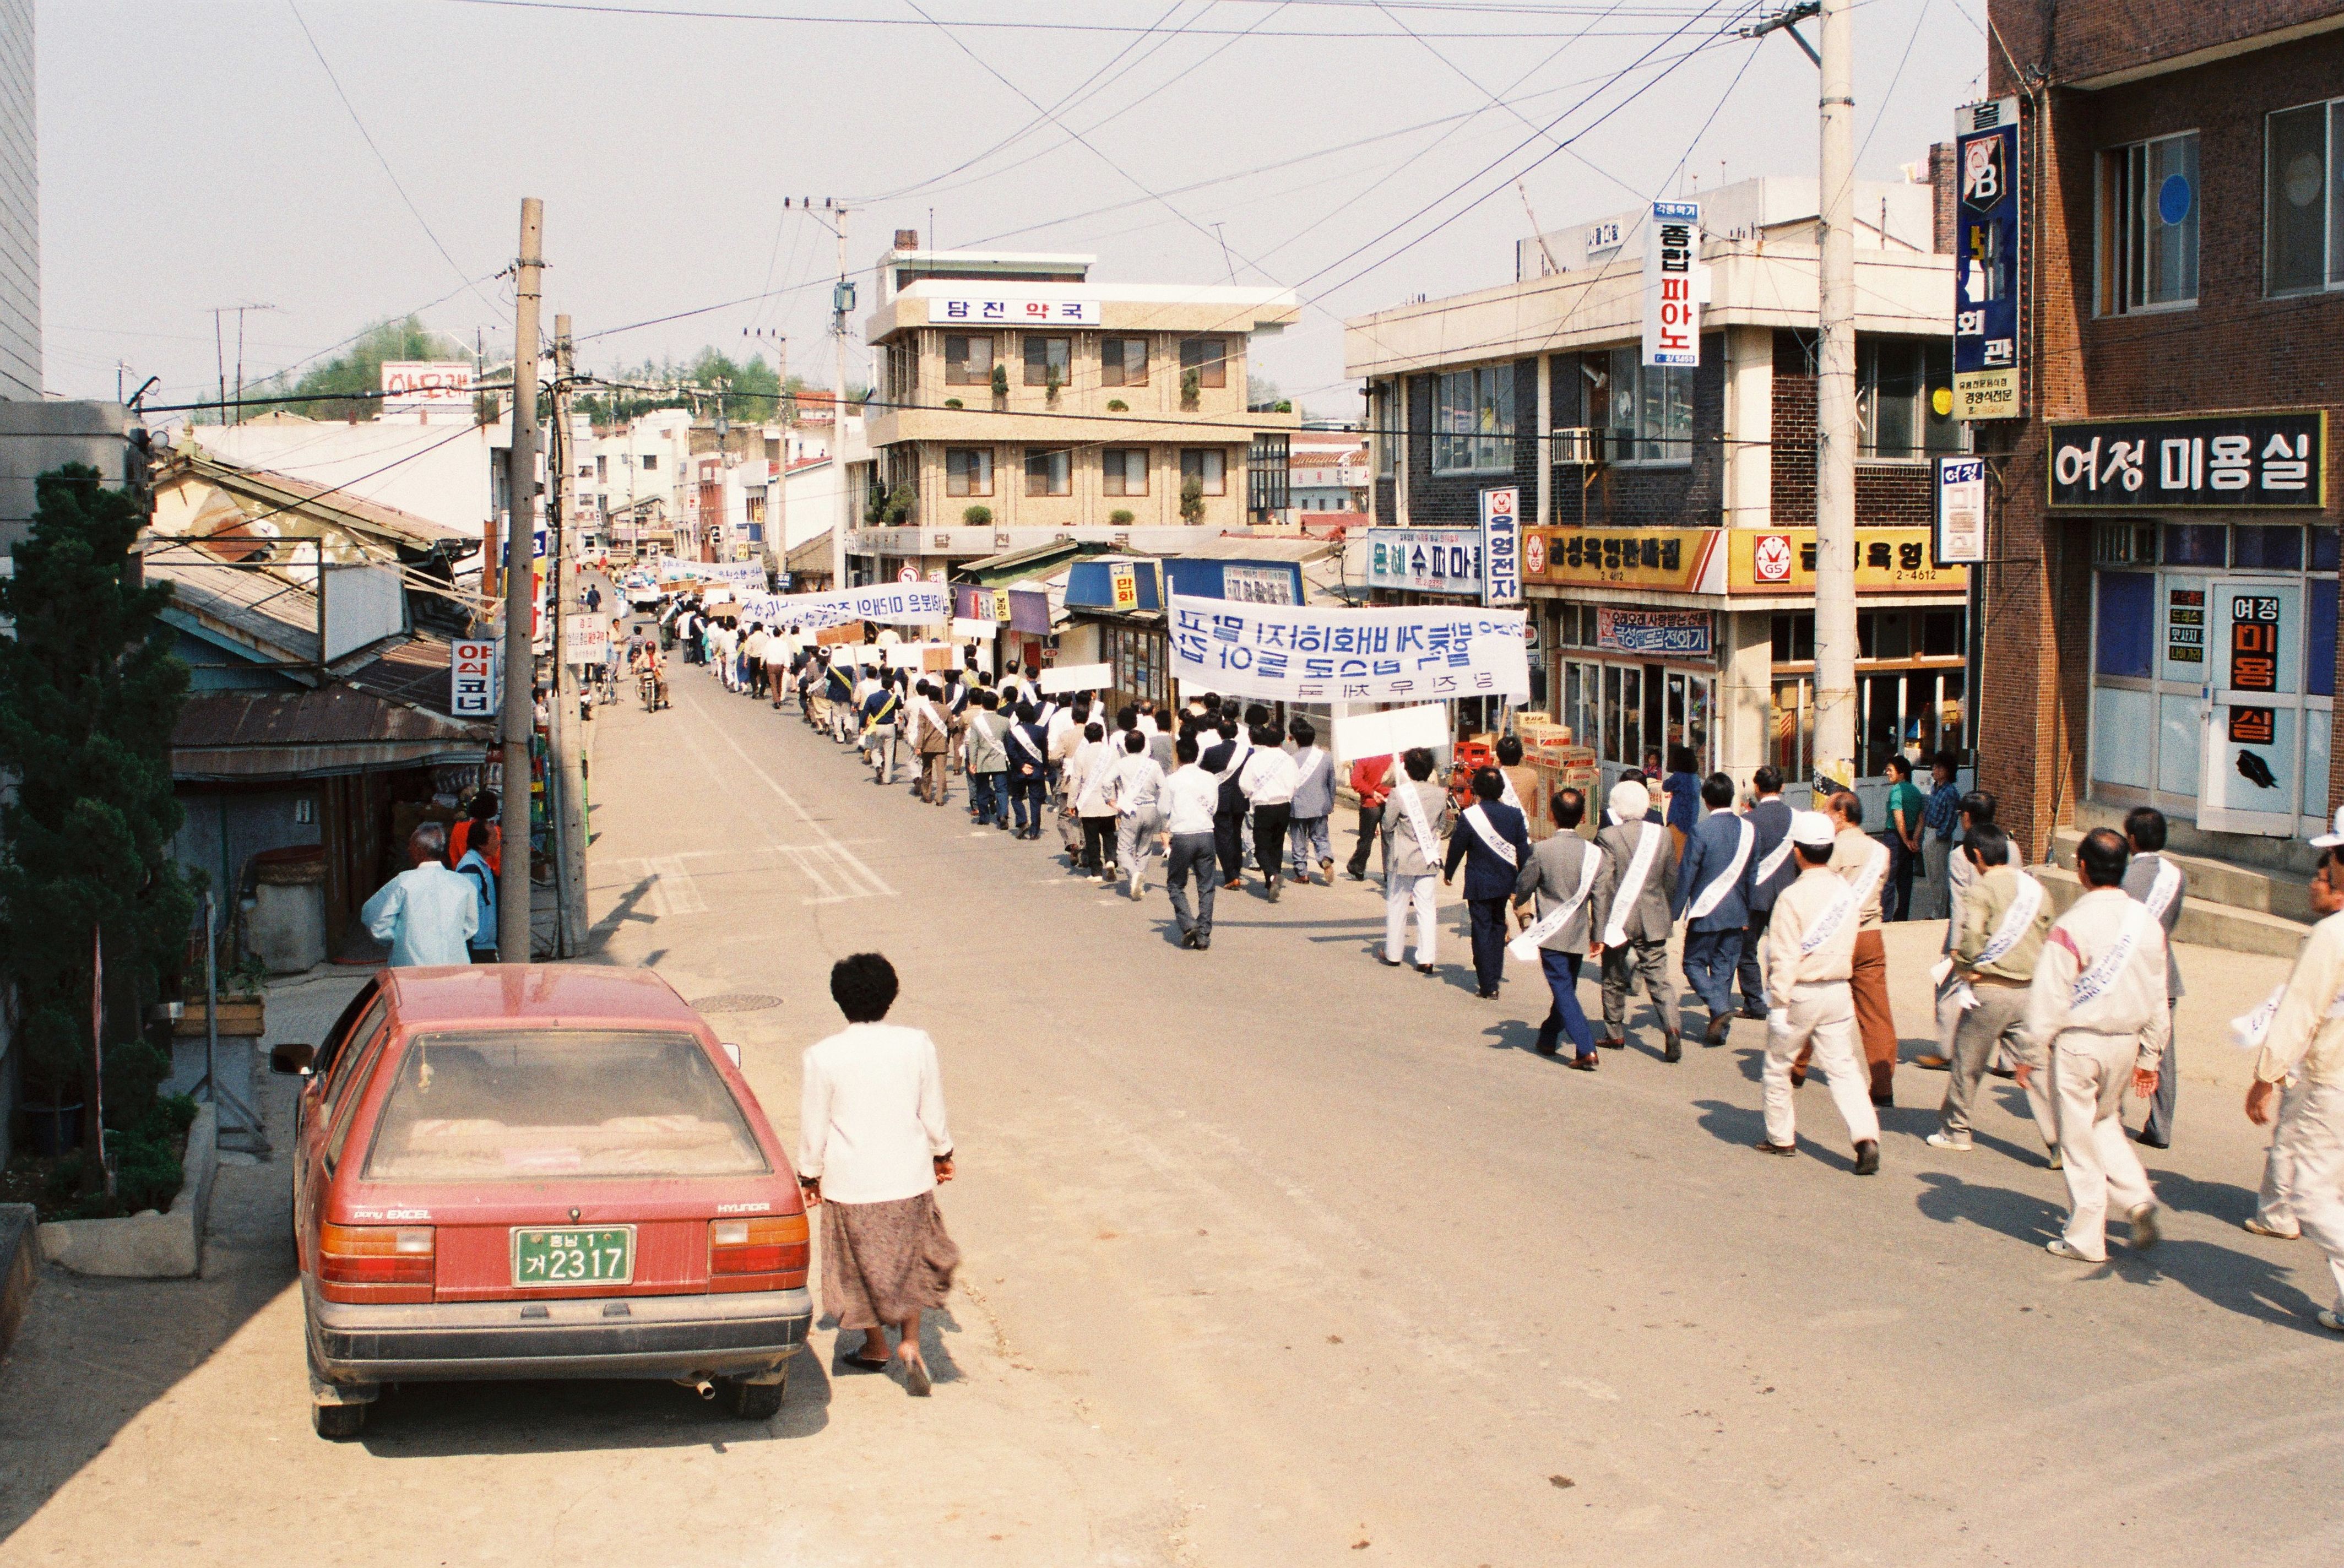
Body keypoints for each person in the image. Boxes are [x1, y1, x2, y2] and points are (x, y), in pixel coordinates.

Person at [796, 953, 958, 1398]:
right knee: (909, 1259)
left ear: (839, 999)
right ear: (891, 994)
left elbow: (815, 1124)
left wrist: (809, 1176)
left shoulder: (822, 1056)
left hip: (852, 1184)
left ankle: (875, 1346)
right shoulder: (916, 1044)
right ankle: (910, 1342)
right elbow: (933, 1108)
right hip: (908, 1176)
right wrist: (943, 1152)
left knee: (857, 1267)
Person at [2017, 827, 2168, 1262]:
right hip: (2127, 1040)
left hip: (2079, 1044)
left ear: (2082, 868)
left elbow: (2049, 994)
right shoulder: (2148, 923)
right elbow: (2159, 996)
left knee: (2078, 1140)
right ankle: (2138, 1198)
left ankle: (2086, 1237)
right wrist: (2150, 1055)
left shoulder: (2073, 924)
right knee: (2105, 1123)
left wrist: (2030, 1052)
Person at [1754, 811, 1882, 1175]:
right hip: (1839, 988)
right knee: (1844, 1068)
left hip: (1801, 992)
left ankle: (1781, 1138)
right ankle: (1865, 1137)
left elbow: (1783, 956)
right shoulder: (1845, 891)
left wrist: (1777, 1003)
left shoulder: (1792, 896)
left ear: (1798, 851)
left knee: (1779, 1066)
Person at [1925, 823, 2059, 1158]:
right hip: (2030, 991)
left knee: (1967, 1064)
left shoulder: (1982, 889)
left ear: (1977, 856)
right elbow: (2050, 933)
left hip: (1990, 989)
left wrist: (1963, 964)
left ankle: (1956, 1130)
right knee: (2037, 1067)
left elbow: (1971, 937)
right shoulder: (2036, 889)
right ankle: (2059, 1142)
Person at [2243, 842, 2344, 1272]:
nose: (2320, 875)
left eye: (2332, 864)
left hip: (2332, 1078)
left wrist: (2267, 1075)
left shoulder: (2332, 935)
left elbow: (2300, 1010)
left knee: (2309, 1195)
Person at [1591, 777, 1681, 1060]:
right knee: (1659, 979)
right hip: (1653, 915)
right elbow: (1671, 879)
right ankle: (1672, 1028)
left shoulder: (1610, 836)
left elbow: (1603, 885)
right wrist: (1663, 908)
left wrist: (1599, 928)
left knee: (1614, 977)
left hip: (1620, 919)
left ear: (1616, 809)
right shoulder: (1663, 835)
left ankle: (1615, 1032)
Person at [1513, 788, 1602, 1068]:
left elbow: (1524, 887)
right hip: (1577, 932)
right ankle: (1549, 1035)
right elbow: (1601, 898)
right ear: (1583, 816)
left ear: (1552, 815)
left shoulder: (1541, 850)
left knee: (1564, 990)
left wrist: (1520, 900)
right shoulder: (1594, 853)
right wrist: (1598, 934)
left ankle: (1586, 1049)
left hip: (1551, 933)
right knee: (1566, 988)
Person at [1825, 789, 1897, 1105]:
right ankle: (1883, 1087)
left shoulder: (1831, 849)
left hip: (1836, 936)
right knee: (1876, 1013)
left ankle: (1797, 1068)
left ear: (1842, 815)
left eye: (1829, 812)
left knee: (1819, 998)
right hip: (1871, 934)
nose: (1827, 818)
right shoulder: (1881, 851)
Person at [1672, 772, 1755, 1046]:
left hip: (1707, 912)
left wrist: (1674, 911)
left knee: (1693, 963)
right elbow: (1751, 875)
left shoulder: (1701, 831)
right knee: (1723, 970)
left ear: (1706, 801)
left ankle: (1719, 1010)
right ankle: (1719, 1028)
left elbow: (1687, 874)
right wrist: (1748, 914)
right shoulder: (1748, 830)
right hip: (1737, 912)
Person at [2121, 806, 2187, 1149]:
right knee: (2163, 1050)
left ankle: (2109, 1113)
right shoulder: (2177, 874)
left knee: (2117, 1040)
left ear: (2131, 839)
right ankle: (2160, 1126)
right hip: (2164, 971)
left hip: (2129, 973)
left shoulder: (2125, 878)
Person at [1443, 767, 1530, 999]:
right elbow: (1523, 850)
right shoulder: (1514, 815)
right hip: (1505, 882)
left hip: (1479, 883)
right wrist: (1527, 879)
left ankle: (1487, 982)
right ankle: (1494, 973)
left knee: (1481, 928)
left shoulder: (1471, 816)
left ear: (1477, 789)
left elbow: (1457, 847)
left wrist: (1448, 872)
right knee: (1498, 925)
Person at [360, 823, 480, 967]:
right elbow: (471, 927)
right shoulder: (463, 884)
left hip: (411, 966)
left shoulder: (403, 882)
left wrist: (400, 938)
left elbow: (374, 918)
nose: (409, 850)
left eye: (411, 845)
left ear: (419, 850)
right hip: (454, 964)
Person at [1734, 767, 1798, 1021]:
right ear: (1781, 787)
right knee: (1786, 949)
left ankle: (1755, 1004)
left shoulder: (1748, 821)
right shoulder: (1796, 817)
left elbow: (1741, 862)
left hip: (1756, 895)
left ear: (1757, 788)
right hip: (1787, 893)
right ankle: (1786, 999)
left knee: (1746, 950)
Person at [1160, 736, 1222, 950]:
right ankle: (1204, 933)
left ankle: (1188, 924)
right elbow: (1213, 807)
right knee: (1206, 887)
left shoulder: (1172, 780)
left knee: (1176, 885)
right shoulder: (1210, 778)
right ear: (1197, 755)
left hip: (1183, 836)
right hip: (1206, 834)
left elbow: (1163, 809)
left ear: (1178, 756)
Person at [1239, 724, 1299, 902]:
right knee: (1277, 844)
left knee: (1260, 848)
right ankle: (1271, 880)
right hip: (1283, 805)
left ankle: (1273, 875)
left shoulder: (1256, 759)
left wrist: (1251, 794)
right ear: (1282, 740)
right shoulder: (1289, 760)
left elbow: (1244, 784)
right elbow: (1296, 784)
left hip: (1264, 806)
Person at [1105, 729, 1166, 903]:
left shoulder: (1121, 763)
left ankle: (1134, 875)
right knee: (1144, 849)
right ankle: (1139, 882)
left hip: (1131, 810)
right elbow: (1163, 787)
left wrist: (1111, 801)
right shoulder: (1153, 765)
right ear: (1144, 746)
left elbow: (1106, 781)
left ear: (1126, 746)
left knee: (1124, 849)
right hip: (1150, 809)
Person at [1200, 718, 1255, 891]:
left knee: (1223, 837)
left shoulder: (1211, 752)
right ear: (1236, 733)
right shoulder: (1249, 752)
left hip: (1219, 799)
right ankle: (1236, 871)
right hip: (1240, 798)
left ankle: (1231, 875)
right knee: (1236, 835)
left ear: (1219, 733)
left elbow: (1205, 775)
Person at [1285, 719, 1336, 887]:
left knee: (1299, 840)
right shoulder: (1326, 758)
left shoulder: (1292, 759)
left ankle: (1302, 873)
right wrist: (1331, 802)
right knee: (1320, 837)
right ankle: (1325, 858)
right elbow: (1332, 783)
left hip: (1298, 807)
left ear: (1297, 740)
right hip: (1321, 805)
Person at [1071, 720, 1121, 881]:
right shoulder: (1112, 752)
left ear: (1086, 737)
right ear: (1102, 735)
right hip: (1108, 800)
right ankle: (1111, 860)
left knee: (1091, 839)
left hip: (1088, 802)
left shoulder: (1081, 754)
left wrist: (1072, 803)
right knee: (1109, 834)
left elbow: (1076, 780)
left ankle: (1096, 872)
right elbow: (1118, 777)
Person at [1882, 755, 1925, 923]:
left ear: (1901, 773)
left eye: (1890, 770)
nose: (1887, 773)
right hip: (1911, 834)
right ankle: (1902, 917)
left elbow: (1898, 816)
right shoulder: (1915, 791)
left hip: (1894, 837)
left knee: (1889, 878)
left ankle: (1886, 917)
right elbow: (1921, 818)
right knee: (1906, 880)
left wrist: (1905, 840)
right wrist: (1914, 839)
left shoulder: (1897, 791)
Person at [1920, 752, 1963, 921]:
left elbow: (1952, 816)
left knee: (1939, 876)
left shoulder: (1950, 791)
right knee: (1931, 876)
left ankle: (1939, 914)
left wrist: (1941, 834)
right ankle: (1936, 910)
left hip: (1938, 836)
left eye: (1938, 767)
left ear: (1947, 770)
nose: (1934, 771)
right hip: (1929, 832)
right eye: (1934, 767)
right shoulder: (1934, 788)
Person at [965, 690, 1010, 831]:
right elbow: (1008, 742)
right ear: (997, 705)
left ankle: (984, 817)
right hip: (1000, 760)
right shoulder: (1005, 721)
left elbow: (973, 744)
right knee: (1002, 790)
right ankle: (1003, 814)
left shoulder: (977, 722)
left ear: (983, 705)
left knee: (982, 789)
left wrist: (972, 762)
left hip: (982, 760)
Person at [1345, 751, 1392, 882]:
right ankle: (1390, 874)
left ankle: (1358, 867)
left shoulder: (1365, 759)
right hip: (1390, 803)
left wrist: (1372, 792)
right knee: (1389, 841)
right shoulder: (1394, 757)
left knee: (1366, 838)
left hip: (1370, 804)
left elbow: (1356, 782)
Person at [454, 827, 498, 964]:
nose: (498, 842)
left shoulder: (480, 866)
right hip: (477, 946)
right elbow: (466, 907)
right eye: (494, 838)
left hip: (483, 944)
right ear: (481, 844)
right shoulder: (470, 869)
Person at [909, 679, 952, 807]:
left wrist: (918, 746)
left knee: (926, 770)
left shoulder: (924, 710)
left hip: (927, 745)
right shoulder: (946, 709)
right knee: (941, 772)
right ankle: (940, 797)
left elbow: (921, 729)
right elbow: (951, 726)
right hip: (941, 745)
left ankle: (927, 794)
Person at [860, 672, 902, 786]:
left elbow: (865, 713)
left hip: (877, 727)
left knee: (876, 750)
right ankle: (887, 779)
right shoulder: (894, 698)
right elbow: (900, 706)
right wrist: (894, 694)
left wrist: (862, 726)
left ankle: (878, 766)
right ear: (892, 685)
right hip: (890, 727)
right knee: (889, 753)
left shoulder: (872, 697)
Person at [1661, 746, 1702, 860]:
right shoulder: (1696, 778)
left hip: (1677, 820)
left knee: (1675, 854)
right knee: (1686, 853)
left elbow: (1665, 786)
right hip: (1692, 820)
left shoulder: (1679, 777)